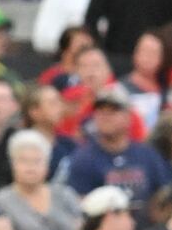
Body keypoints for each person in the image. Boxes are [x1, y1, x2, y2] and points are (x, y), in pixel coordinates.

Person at [67, 84, 172, 218]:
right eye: (100, 111)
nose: (105, 116)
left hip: (147, 226)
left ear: (128, 117)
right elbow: (80, 206)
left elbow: (164, 193)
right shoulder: (83, 159)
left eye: (113, 110)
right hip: (105, 226)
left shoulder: (147, 155)